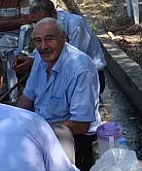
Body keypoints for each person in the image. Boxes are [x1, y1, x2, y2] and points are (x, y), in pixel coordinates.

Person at [17, 18, 100, 171]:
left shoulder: (81, 68)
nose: (43, 46)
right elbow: (27, 98)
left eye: (49, 39)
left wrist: (37, 133)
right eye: (37, 41)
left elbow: (81, 124)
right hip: (43, 129)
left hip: (73, 136)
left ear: (63, 37)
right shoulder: (40, 59)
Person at [15, 0, 107, 94]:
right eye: (36, 22)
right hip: (59, 75)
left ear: (54, 13)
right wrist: (28, 60)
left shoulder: (75, 24)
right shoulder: (43, 28)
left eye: (44, 20)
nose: (40, 25)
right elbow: (39, 54)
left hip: (88, 77)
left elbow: (74, 60)